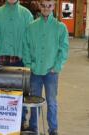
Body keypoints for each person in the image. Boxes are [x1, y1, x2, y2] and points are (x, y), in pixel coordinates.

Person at [23, 0, 69, 135]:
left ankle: (53, 129)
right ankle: (33, 128)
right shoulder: (31, 27)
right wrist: (28, 64)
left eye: (49, 5)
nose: (46, 8)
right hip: (35, 71)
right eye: (43, 5)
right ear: (39, 6)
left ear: (54, 6)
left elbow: (64, 49)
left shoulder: (60, 27)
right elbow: (25, 46)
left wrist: (57, 66)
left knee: (52, 102)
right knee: (34, 101)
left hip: (51, 72)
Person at [0, 0, 34, 129]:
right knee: (2, 94)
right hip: (1, 60)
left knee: (21, 94)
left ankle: (21, 122)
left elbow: (31, 40)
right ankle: (2, 122)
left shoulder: (26, 14)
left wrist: (30, 60)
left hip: (21, 60)